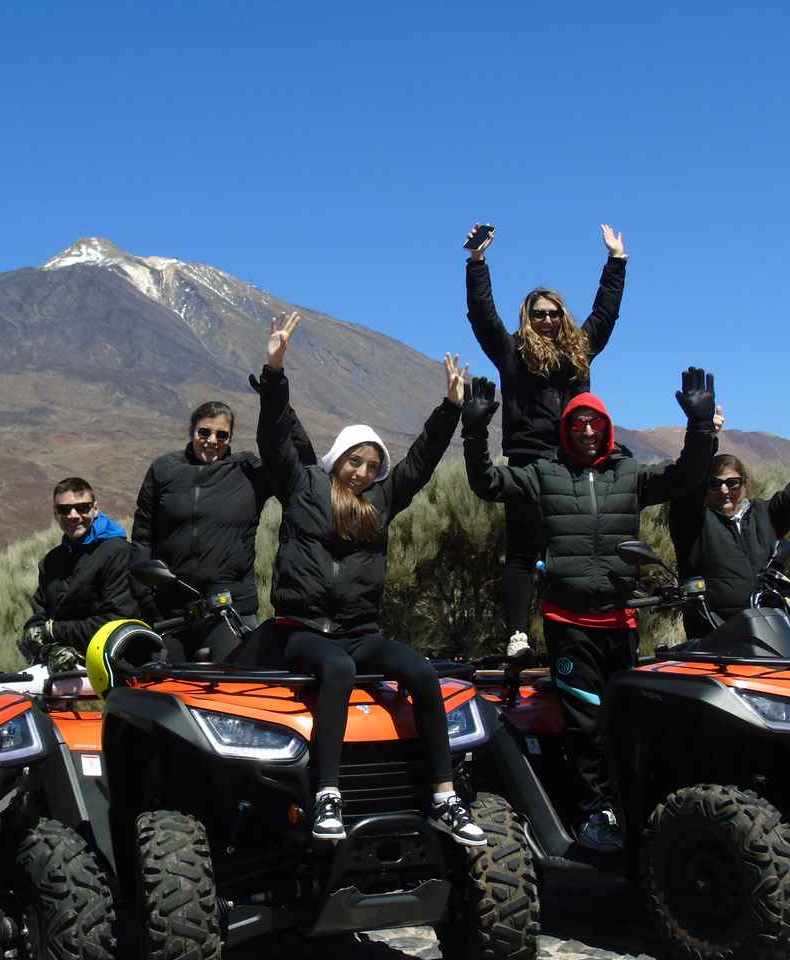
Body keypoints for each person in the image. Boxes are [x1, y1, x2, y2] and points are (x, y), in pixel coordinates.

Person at [461, 368, 716, 852]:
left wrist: (700, 427)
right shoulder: (545, 474)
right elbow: (487, 483)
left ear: (606, 428)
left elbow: (685, 476)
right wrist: (474, 430)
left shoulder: (630, 475)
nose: (585, 429)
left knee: (625, 718)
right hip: (568, 621)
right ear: (565, 429)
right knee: (582, 720)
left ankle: (631, 805)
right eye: (576, 423)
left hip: (619, 620)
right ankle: (592, 813)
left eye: (593, 423)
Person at [257, 311, 485, 846]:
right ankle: (328, 794)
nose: (361, 472)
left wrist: (450, 406)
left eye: (371, 465)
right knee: (334, 668)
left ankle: (444, 794)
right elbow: (272, 435)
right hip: (301, 629)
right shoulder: (301, 486)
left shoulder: (380, 501)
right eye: (354, 461)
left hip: (360, 631)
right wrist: (274, 369)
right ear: (337, 459)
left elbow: (422, 462)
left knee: (423, 674)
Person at [464, 223, 628, 660]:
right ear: (527, 318)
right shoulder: (512, 352)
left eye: (555, 312)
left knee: (572, 549)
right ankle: (518, 635)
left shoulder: (580, 351)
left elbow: (606, 312)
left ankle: (573, 624)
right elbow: (483, 316)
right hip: (528, 463)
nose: (548, 319)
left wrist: (616, 262)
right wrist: (477, 263)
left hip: (577, 462)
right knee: (522, 549)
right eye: (539, 313)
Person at [131, 399, 314, 661]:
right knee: (164, 688)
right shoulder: (164, 470)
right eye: (204, 432)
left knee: (237, 689)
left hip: (231, 608)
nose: (212, 440)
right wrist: (145, 598)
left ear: (230, 438)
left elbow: (302, 463)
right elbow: (142, 536)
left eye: (222, 434)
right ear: (192, 431)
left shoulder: (248, 471)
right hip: (170, 611)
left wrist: (280, 406)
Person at [670, 405, 790, 638]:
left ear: (744, 484)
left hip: (770, 637)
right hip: (713, 640)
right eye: (714, 484)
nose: (724, 490)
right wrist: (704, 436)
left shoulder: (765, 515)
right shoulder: (693, 523)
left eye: (732, 483)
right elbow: (685, 488)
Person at [21, 477, 137, 671]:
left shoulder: (117, 552)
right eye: (64, 509)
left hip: (110, 663)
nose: (73, 515)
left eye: (82, 507)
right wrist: (51, 650)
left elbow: (116, 621)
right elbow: (38, 615)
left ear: (95, 509)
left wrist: (53, 631)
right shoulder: (52, 561)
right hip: (61, 661)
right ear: (56, 513)